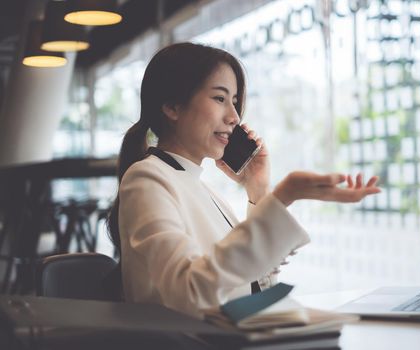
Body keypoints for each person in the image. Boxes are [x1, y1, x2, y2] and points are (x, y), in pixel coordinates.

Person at [108, 42, 380, 318]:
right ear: (172, 106)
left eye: (235, 102)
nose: (234, 117)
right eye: (219, 98)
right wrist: (283, 196)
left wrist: (258, 188)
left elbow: (255, 284)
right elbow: (189, 292)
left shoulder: (199, 186)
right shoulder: (146, 180)